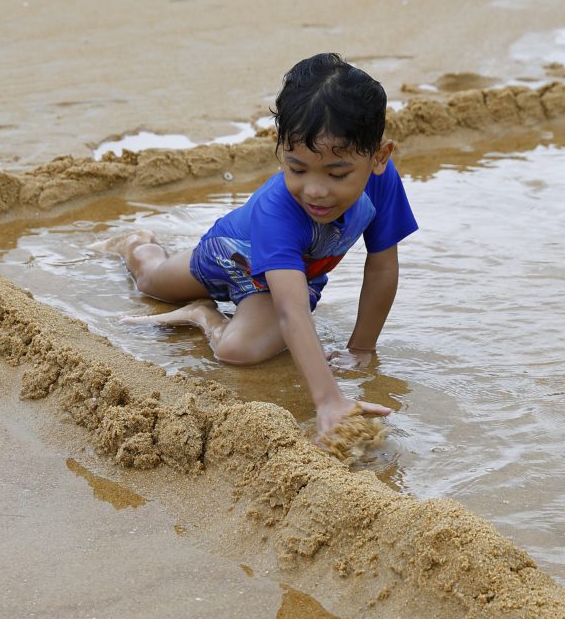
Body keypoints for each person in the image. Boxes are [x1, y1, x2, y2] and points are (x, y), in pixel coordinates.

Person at [91, 53, 418, 441]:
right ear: (281, 150)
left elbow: (381, 267)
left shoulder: (383, 183)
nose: (314, 190)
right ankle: (137, 243)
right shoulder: (276, 209)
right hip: (229, 250)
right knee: (149, 281)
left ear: (378, 158)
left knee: (238, 351)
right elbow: (290, 309)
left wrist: (361, 348)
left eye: (337, 173)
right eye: (297, 169)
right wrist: (329, 399)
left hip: (291, 272)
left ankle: (203, 315)